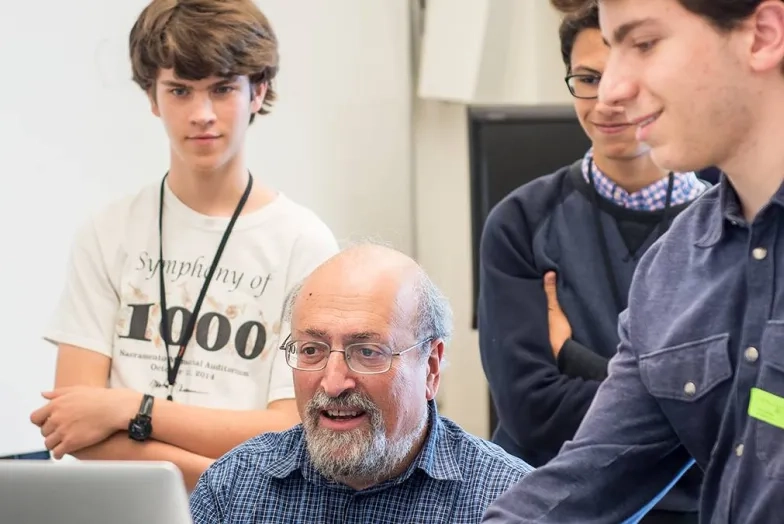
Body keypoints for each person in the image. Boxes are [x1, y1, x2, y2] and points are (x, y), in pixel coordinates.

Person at [481, 0, 784, 522]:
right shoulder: (675, 267)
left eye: (643, 43)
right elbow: (594, 472)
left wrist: (574, 359)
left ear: (761, 35)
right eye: (603, 59)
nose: (613, 92)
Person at [28, 0, 338, 490]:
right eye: (179, 90)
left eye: (222, 89)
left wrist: (132, 409)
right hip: (126, 510)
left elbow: (290, 430)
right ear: (152, 97)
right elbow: (71, 423)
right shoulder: (108, 231)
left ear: (257, 92)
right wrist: (225, 476)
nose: (202, 114)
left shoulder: (303, 242)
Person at [189, 244, 533, 523]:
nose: (334, 382)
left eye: (368, 352)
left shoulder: (510, 505)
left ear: (430, 367)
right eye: (311, 350)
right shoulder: (232, 490)